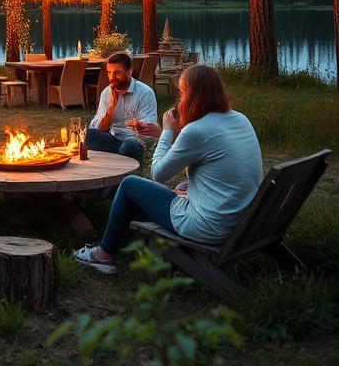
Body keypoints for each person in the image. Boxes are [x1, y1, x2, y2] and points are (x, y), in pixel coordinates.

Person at [73, 64, 262, 274]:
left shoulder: (197, 130)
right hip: (240, 219)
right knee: (168, 190)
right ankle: (122, 240)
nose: (179, 98)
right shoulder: (239, 119)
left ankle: (105, 254)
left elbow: (159, 174)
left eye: (182, 92)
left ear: (193, 95)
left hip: (208, 227)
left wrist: (167, 132)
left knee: (129, 185)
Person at [85, 51, 161, 161]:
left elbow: (147, 132)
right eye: (109, 72)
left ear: (129, 72)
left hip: (135, 140)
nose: (112, 77)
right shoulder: (107, 92)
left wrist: (139, 125)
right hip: (114, 139)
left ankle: (119, 163)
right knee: (89, 134)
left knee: (130, 145)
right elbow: (100, 129)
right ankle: (117, 158)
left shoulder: (145, 93)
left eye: (117, 73)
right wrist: (112, 107)